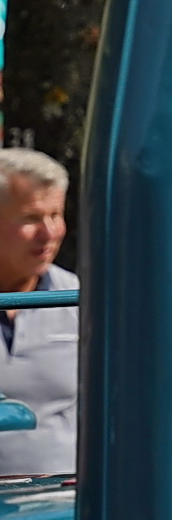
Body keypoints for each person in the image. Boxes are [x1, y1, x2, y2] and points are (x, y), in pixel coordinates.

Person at [0, 149, 77, 476]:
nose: (49, 233)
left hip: (58, 502)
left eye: (56, 215)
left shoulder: (77, 297)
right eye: (32, 218)